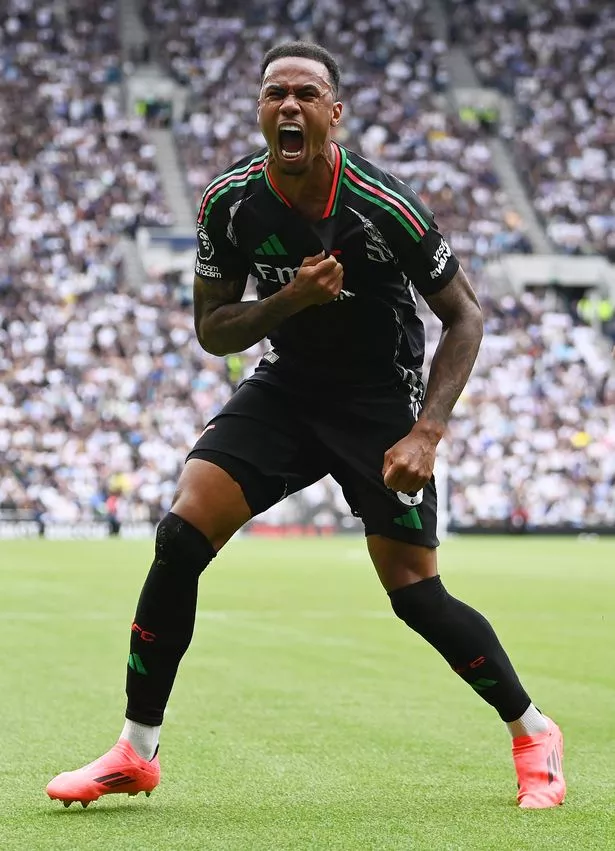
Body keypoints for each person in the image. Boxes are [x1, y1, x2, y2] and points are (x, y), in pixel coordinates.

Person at [46, 42, 565, 810]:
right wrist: (292, 300)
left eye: (305, 93)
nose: (288, 105)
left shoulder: (383, 204)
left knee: (415, 595)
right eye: (273, 93)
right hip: (286, 387)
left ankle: (531, 730)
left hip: (378, 403)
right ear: (260, 111)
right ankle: (136, 748)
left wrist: (426, 430)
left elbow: (463, 316)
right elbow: (213, 329)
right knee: (179, 536)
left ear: (333, 112)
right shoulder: (228, 201)